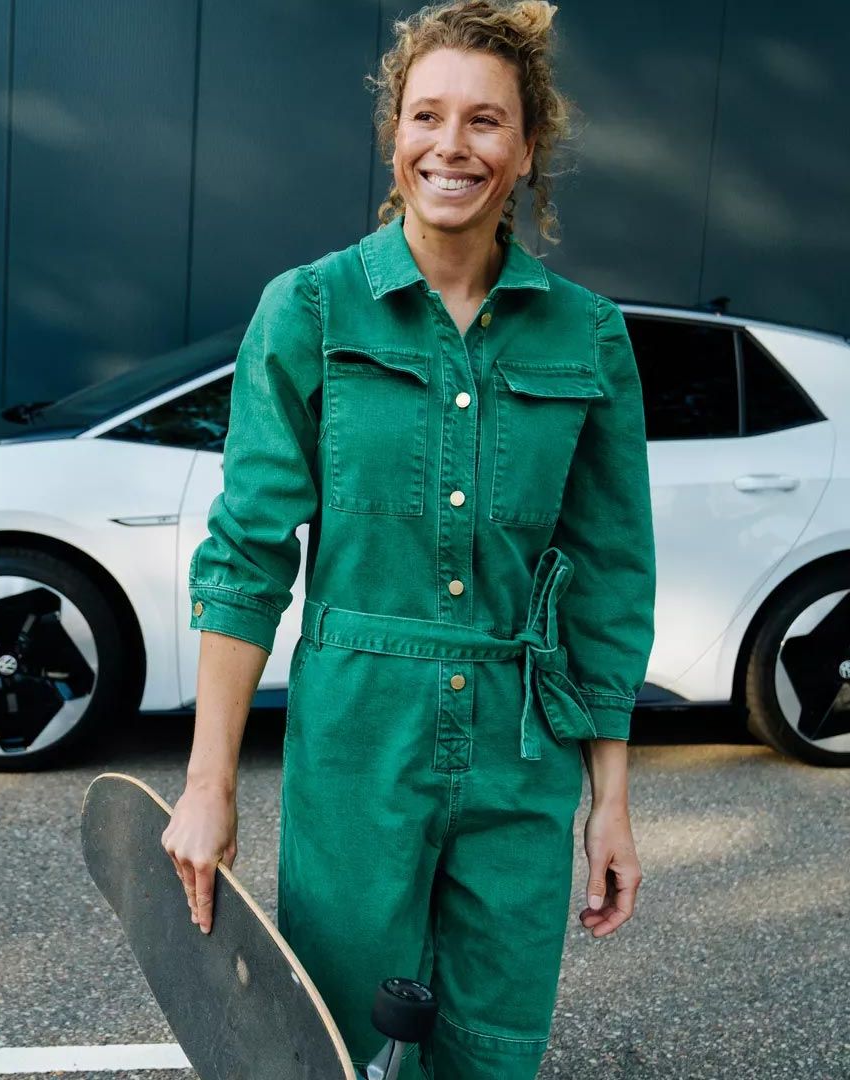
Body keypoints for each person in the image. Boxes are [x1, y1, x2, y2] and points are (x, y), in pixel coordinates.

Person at [161, 1, 655, 1076]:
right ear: (395, 135)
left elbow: (611, 580)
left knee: (491, 1047)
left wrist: (609, 802)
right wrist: (210, 784)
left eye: (487, 122)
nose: (453, 145)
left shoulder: (590, 336)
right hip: (357, 735)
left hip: (522, 750)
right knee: (334, 1039)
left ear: (528, 149)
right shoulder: (312, 311)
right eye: (428, 115)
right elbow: (247, 556)